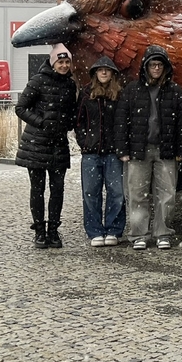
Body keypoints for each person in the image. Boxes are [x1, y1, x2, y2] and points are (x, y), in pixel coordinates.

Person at [114, 45, 182, 251]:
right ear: (146, 67)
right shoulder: (132, 90)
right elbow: (121, 121)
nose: (156, 68)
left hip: (166, 150)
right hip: (138, 150)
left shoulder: (175, 91)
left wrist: (181, 150)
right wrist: (122, 150)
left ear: (165, 67)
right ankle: (139, 234)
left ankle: (163, 233)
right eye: (153, 65)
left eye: (160, 65)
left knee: (167, 195)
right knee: (137, 194)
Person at [15, 43, 78, 249]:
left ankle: (53, 229)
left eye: (67, 62)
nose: (64, 65)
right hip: (36, 143)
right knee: (38, 189)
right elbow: (21, 108)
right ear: (53, 63)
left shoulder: (70, 85)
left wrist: (69, 123)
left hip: (58, 144)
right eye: (60, 62)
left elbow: (71, 110)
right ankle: (39, 230)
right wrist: (41, 122)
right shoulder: (38, 81)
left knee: (57, 189)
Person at [75, 56, 125, 248]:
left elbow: (124, 121)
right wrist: (84, 141)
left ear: (112, 73)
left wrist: (121, 145)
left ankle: (113, 229)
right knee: (90, 192)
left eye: (107, 69)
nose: (104, 72)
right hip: (91, 152)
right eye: (100, 69)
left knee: (117, 192)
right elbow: (78, 121)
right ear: (95, 73)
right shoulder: (86, 93)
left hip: (113, 152)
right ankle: (95, 230)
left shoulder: (119, 94)